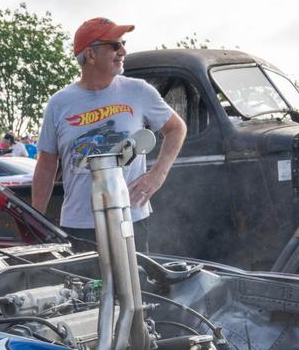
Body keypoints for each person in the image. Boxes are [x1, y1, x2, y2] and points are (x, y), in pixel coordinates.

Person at [32, 17, 186, 253]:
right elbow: (46, 164)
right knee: (85, 289)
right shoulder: (59, 103)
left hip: (130, 217)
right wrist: (36, 221)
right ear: (90, 55)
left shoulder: (139, 91)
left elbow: (177, 128)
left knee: (135, 288)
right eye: (114, 45)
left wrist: (158, 174)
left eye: (123, 43)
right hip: (80, 223)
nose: (123, 51)